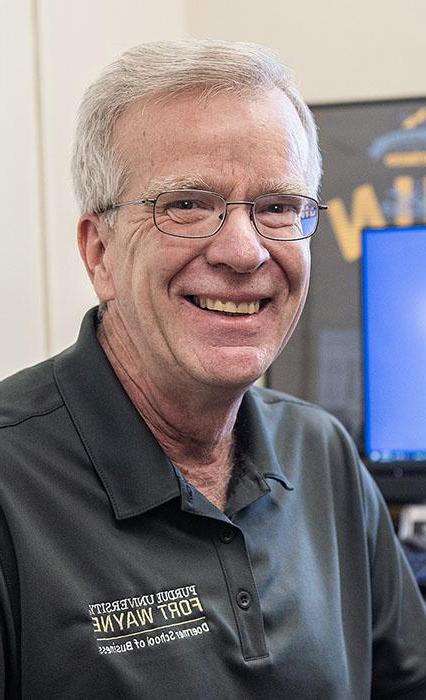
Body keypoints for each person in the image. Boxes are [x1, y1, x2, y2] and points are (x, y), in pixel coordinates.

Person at [0, 39, 425, 699]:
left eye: (278, 207)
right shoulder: (12, 487)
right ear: (100, 252)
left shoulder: (321, 454)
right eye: (187, 205)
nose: (243, 250)